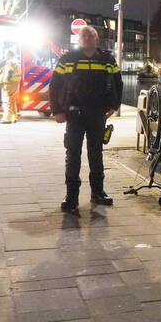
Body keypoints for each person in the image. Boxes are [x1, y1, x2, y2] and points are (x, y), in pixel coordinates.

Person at [49, 26, 123, 215]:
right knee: (73, 155)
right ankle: (71, 197)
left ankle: (97, 193)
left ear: (97, 39)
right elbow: (55, 84)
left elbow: (117, 82)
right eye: (84, 35)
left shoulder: (107, 59)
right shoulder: (67, 59)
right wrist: (57, 110)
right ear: (78, 39)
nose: (88, 38)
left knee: (96, 154)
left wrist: (115, 105)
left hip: (98, 114)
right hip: (74, 114)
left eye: (91, 35)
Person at [0, 49, 22, 124]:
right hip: (14, 82)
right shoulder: (16, 62)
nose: (5, 55)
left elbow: (10, 71)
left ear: (9, 54)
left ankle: (7, 119)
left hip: (9, 83)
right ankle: (14, 117)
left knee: (7, 100)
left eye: (6, 54)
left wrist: (7, 79)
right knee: (12, 101)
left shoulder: (10, 62)